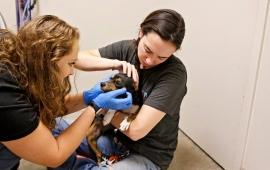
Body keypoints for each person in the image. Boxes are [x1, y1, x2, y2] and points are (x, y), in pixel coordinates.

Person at [0, 15, 133, 170]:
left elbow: (38, 108)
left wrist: (86, 97)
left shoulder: (4, 41)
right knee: (19, 139)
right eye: (71, 63)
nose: (71, 72)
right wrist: (94, 107)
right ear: (50, 63)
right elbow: (55, 155)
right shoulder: (1, 94)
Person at [53, 8, 187, 170]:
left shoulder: (174, 76)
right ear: (141, 33)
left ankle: (82, 164)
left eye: (162, 57)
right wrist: (113, 63)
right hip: (111, 139)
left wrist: (105, 107)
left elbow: (135, 131)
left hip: (146, 154)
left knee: (59, 153)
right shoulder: (129, 48)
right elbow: (79, 59)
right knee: (44, 126)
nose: (150, 61)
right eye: (148, 50)